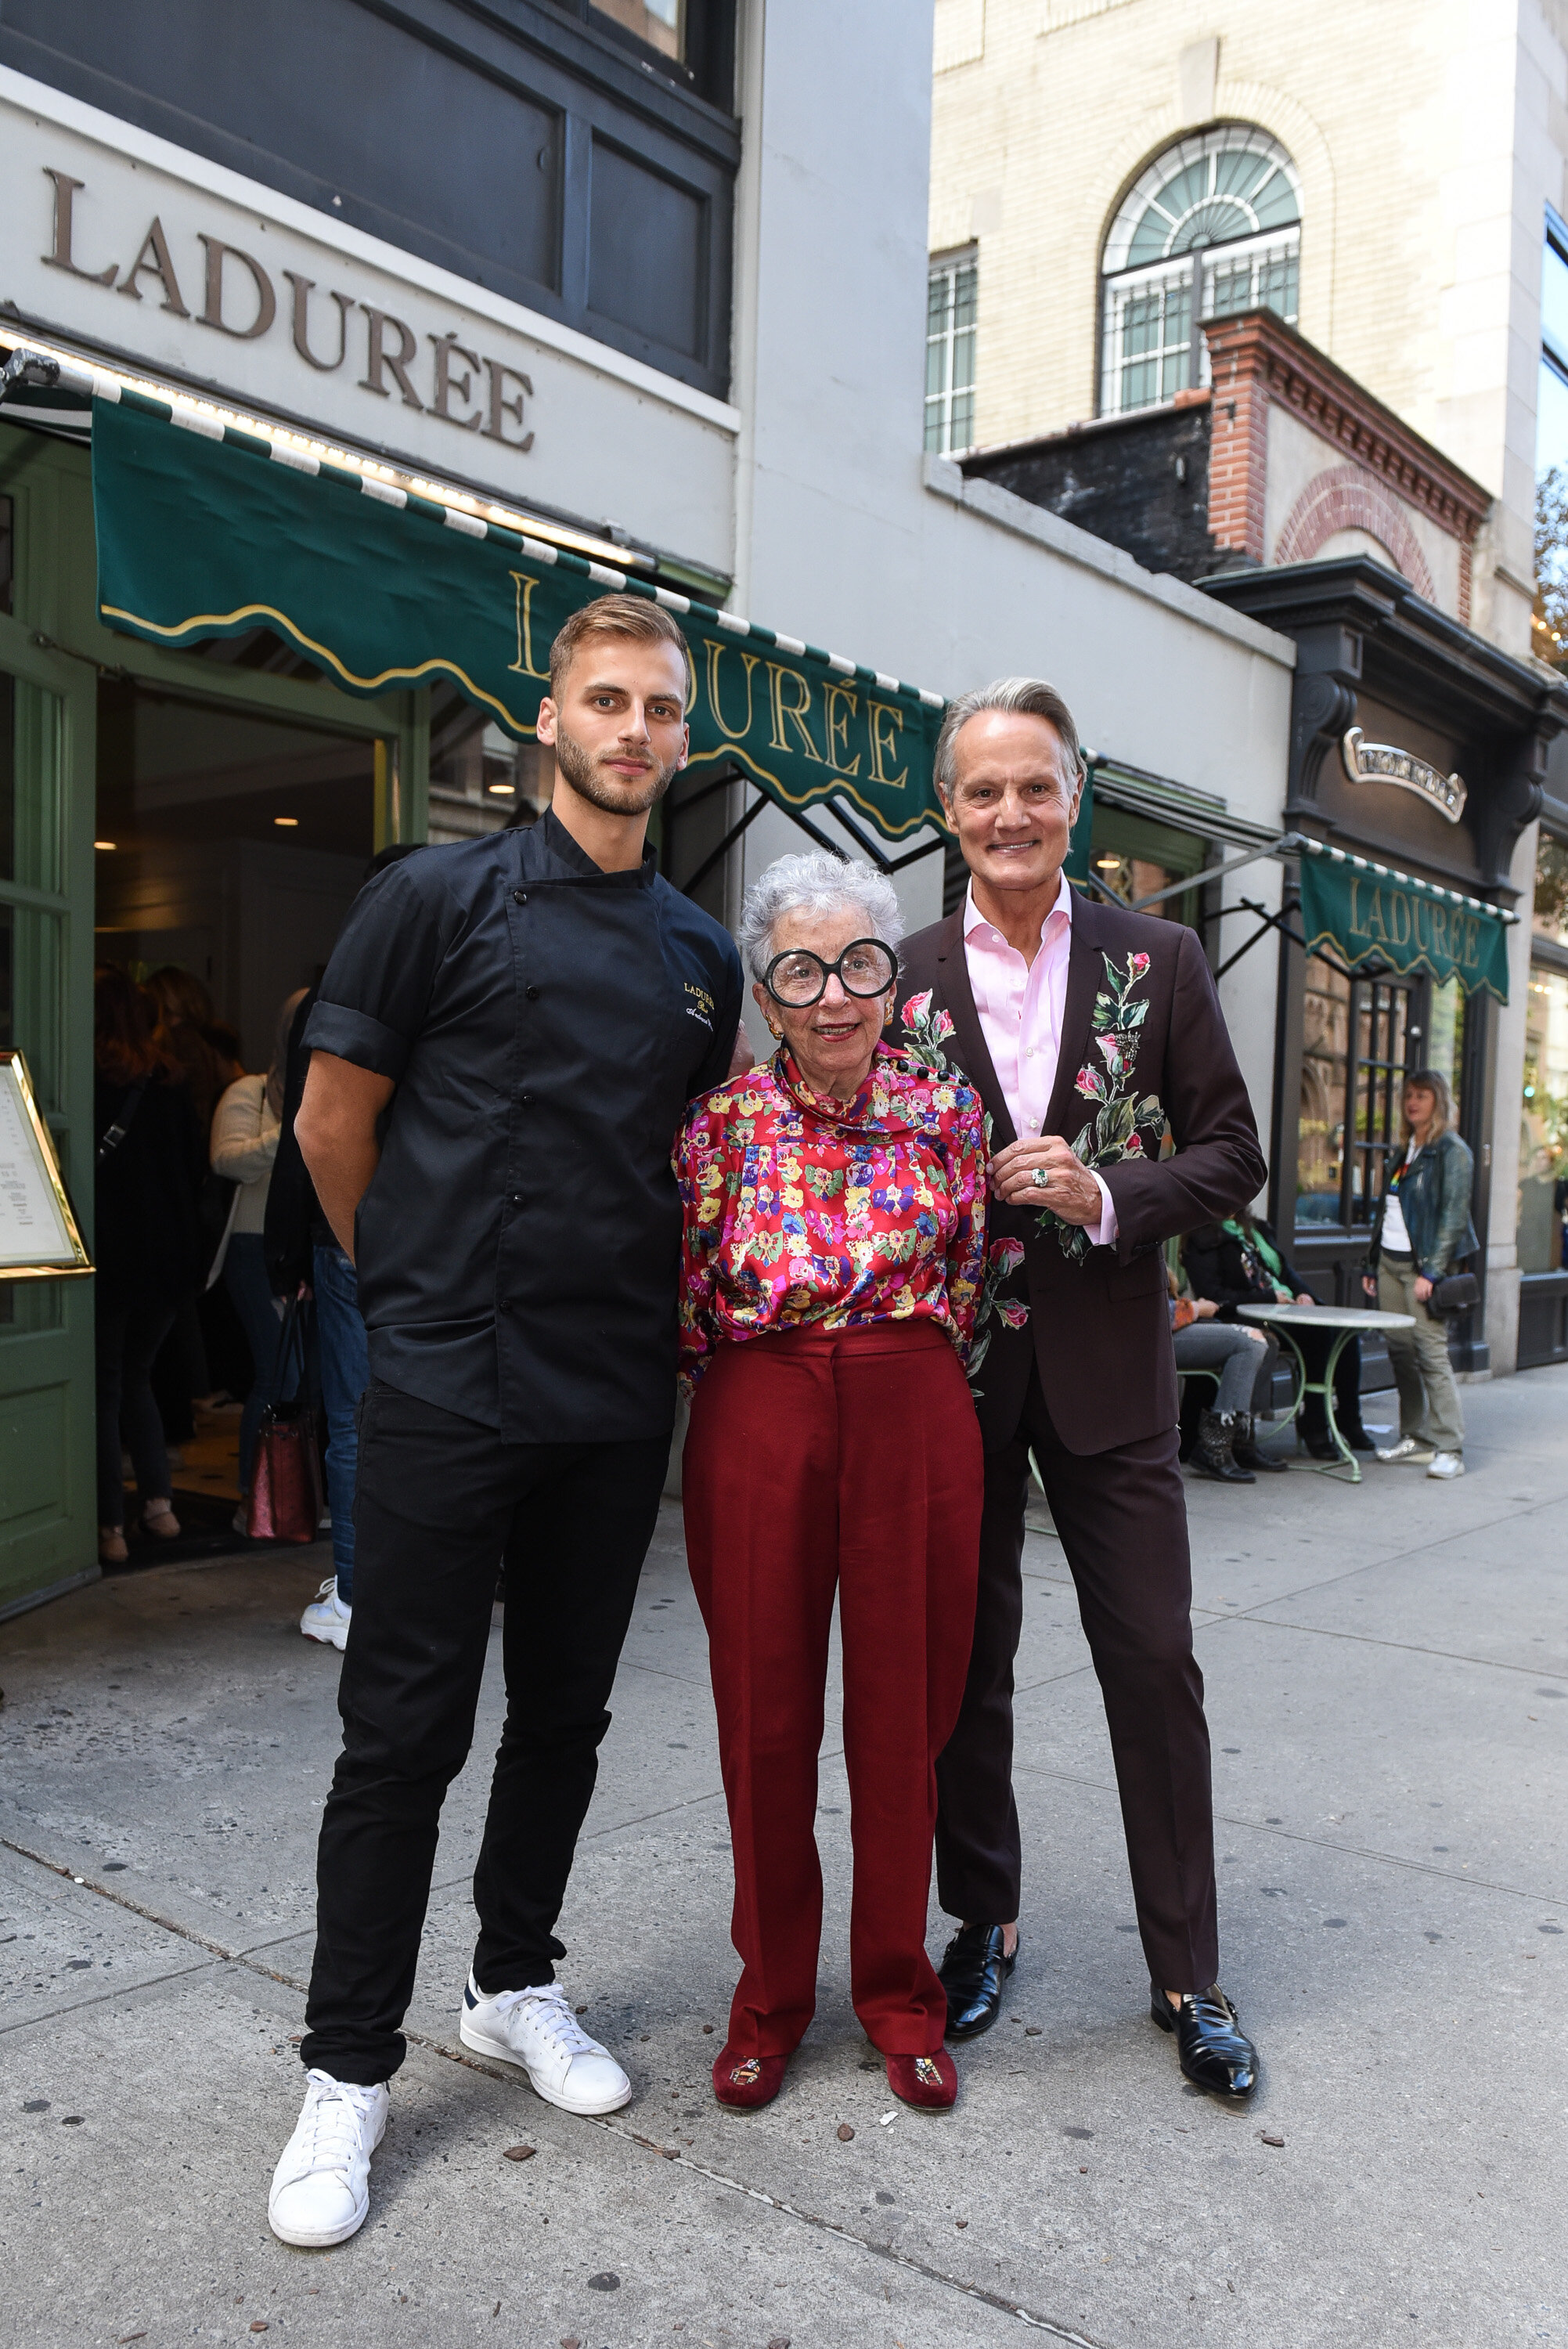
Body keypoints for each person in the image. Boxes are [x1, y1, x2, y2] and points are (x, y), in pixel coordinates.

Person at [266, 594, 741, 2250]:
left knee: (563, 1720)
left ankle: (509, 1982)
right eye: (602, 700)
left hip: (613, 1399)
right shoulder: (430, 897)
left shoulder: (701, 957)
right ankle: (344, 2070)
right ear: (548, 722)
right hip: (448, 1382)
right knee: (400, 1737)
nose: (630, 729)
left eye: (657, 706)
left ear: (683, 735)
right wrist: (403, 1293)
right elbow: (333, 1122)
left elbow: (663, 1170)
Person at [893, 677, 1267, 2101]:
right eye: (982, 791)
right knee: (960, 1670)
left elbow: (1230, 1152)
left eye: (1033, 787)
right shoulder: (901, 972)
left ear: (1074, 798)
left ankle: (1188, 1971)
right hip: (955, 1371)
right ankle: (978, 1921)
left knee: (1152, 1664)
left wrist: (1108, 1193)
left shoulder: (1156, 959)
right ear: (949, 811)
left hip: (1111, 1367)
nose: (1008, 813)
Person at [678, 853, 988, 2114]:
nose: (832, 995)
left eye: (858, 963)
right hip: (759, 1398)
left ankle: (898, 1992)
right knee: (763, 1714)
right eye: (798, 970)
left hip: (914, 1397)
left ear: (892, 977)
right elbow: (689, 1291)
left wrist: (893, 1372)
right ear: (764, 992)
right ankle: (769, 1997)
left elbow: (971, 1276)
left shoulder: (948, 1112)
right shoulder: (718, 1127)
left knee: (904, 1713)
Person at [265, 848, 427, 1650]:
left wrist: (288, 1257)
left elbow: (314, 1135)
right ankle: (428, 1586)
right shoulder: (469, 983)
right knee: (440, 1418)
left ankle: (364, 1597)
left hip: (354, 1237)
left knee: (360, 1424)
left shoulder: (341, 993)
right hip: (448, 1242)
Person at [92, 965, 206, 1565]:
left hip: (111, 1252)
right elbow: (194, 1169)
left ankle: (110, 1525)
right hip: (168, 1258)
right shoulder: (171, 1080)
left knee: (105, 1387)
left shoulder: (90, 1079)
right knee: (137, 1379)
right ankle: (159, 1506)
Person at [211, 991, 307, 1523]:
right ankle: (254, 1500)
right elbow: (227, 1160)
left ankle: (289, 1499)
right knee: (277, 1377)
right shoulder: (249, 1091)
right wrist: (293, 1130)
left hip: (304, 1248)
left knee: (302, 1380)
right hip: (252, 1248)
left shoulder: (323, 1088)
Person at [1181, 1208, 1375, 1461]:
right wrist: (1270, 1297)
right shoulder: (1202, 1237)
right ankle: (1315, 1424)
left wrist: (1305, 1295)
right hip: (1243, 1316)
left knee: (1345, 1333)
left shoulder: (1257, 1229)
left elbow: (1286, 1273)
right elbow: (1215, 1294)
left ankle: (1349, 1418)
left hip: (1285, 1310)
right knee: (1320, 1333)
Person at [1362, 1069, 1475, 1481]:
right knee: (1400, 1353)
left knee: (1431, 1352)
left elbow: (1453, 1216)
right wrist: (1371, 1263)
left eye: (1422, 1095)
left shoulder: (1451, 1151)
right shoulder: (1404, 1150)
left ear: (1438, 1101)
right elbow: (1388, 1211)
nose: (1413, 1102)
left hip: (1422, 1268)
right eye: (1408, 1095)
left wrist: (1434, 1271)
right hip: (1389, 1264)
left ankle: (1450, 1447)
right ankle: (1416, 1436)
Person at [1166, 1268, 1281, 1483]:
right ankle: (1215, 1448)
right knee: (1251, 1342)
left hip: (1171, 1324)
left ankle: (1239, 1440)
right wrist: (1196, 1308)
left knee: (1265, 1340)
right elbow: (1149, 1312)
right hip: (1154, 1334)